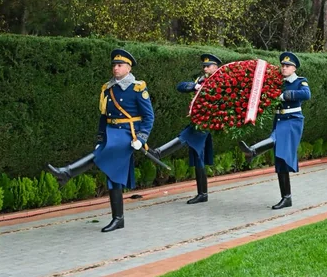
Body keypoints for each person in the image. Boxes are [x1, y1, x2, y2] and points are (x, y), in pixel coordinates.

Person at [47, 49, 154, 233]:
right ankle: (118, 219)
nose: (116, 68)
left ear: (128, 68)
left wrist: (142, 137)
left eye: (120, 65)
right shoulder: (108, 88)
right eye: (114, 65)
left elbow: (149, 116)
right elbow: (103, 117)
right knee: (112, 177)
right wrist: (100, 138)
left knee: (104, 160)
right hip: (111, 134)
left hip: (128, 135)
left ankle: (68, 172)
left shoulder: (137, 87)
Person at [240, 52, 311, 209]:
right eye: (283, 65)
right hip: (279, 120)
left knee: (276, 138)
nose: (284, 68)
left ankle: (252, 151)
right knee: (280, 162)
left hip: (292, 121)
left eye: (287, 66)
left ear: (294, 68)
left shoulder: (300, 81)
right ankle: (286, 198)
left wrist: (285, 95)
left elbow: (306, 94)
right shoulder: (277, 82)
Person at [147, 53, 221, 204]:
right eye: (204, 66)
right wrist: (195, 86)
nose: (205, 68)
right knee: (197, 155)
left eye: (208, 66)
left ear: (216, 67)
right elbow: (180, 86)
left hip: (207, 121)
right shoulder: (199, 80)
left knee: (185, 136)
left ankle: (160, 152)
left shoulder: (220, 81)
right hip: (197, 120)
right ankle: (203, 194)